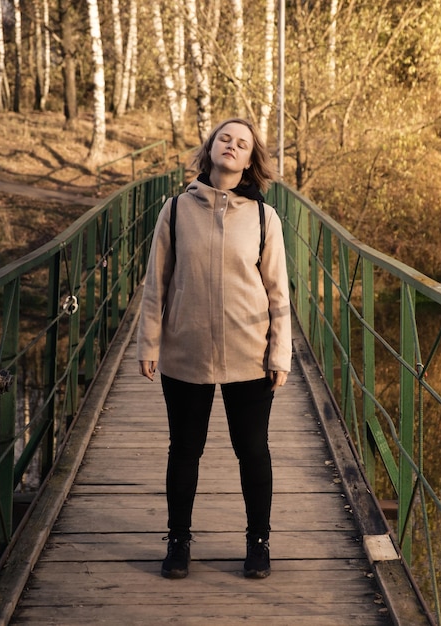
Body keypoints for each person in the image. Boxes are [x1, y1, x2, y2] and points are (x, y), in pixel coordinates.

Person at [137, 118, 292, 580]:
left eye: (242, 143)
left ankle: (258, 542)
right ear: (210, 149)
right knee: (185, 449)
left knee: (253, 450)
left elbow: (279, 293)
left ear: (249, 161)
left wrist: (279, 354)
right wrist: (148, 341)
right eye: (225, 138)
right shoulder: (175, 209)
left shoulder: (265, 217)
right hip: (186, 351)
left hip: (249, 353)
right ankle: (179, 541)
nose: (232, 145)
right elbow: (155, 283)